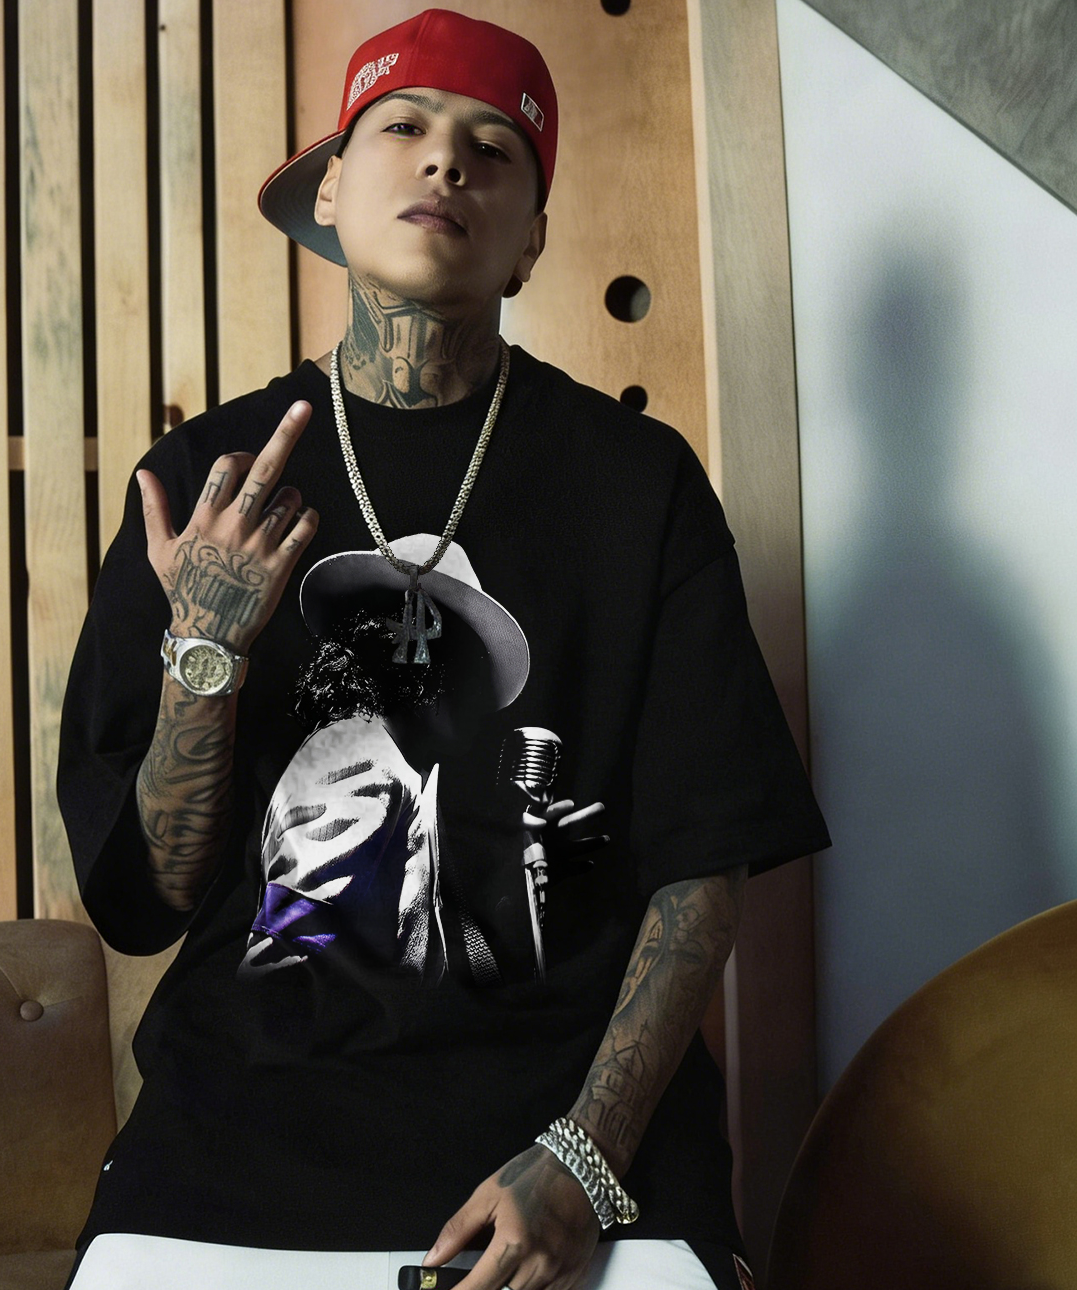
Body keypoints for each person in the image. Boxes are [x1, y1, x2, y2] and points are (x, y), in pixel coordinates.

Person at [58, 10, 829, 1290]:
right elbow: (148, 901)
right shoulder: (206, 482)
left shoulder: (637, 486)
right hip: (246, 1123)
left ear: (531, 240)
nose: (445, 161)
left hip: (567, 1121)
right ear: (329, 191)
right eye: (402, 127)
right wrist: (205, 648)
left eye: (493, 148)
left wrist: (585, 1159)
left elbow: (702, 865)